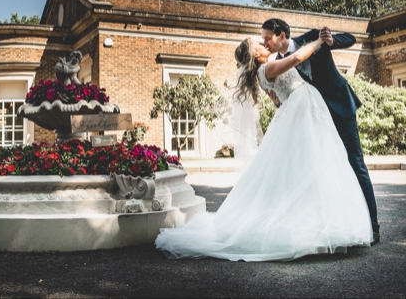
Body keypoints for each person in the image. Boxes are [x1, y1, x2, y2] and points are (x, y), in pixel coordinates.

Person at [154, 37, 372, 261]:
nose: (264, 44)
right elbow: (297, 57)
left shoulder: (265, 70)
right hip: (301, 112)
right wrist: (318, 42)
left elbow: (281, 94)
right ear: (254, 56)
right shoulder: (267, 68)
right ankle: (313, 230)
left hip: (302, 111)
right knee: (310, 166)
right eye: (258, 44)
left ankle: (322, 225)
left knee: (308, 168)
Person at [261, 18, 380, 244]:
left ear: (281, 35)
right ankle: (336, 226)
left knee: (356, 164)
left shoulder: (312, 37)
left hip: (340, 107)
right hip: (314, 118)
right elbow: (288, 94)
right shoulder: (277, 63)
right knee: (324, 171)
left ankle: (373, 228)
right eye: (263, 39)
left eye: (268, 37)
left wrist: (331, 40)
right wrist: (276, 100)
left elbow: (351, 38)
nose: (265, 42)